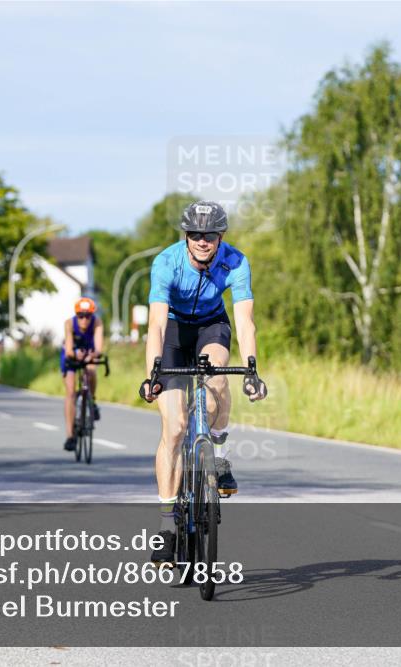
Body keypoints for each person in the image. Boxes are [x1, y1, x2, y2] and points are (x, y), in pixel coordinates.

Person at [139, 201, 267, 565]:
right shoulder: (166, 262)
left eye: (209, 234)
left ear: (220, 237)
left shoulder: (237, 262)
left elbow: (245, 322)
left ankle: (220, 458)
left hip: (213, 325)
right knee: (175, 427)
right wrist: (153, 374)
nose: (202, 241)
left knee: (216, 378)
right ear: (186, 236)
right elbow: (157, 326)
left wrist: (252, 368)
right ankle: (166, 527)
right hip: (175, 332)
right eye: (195, 234)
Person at [60, 297, 104, 451]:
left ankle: (92, 401)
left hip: (89, 353)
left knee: (91, 371)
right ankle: (70, 435)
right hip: (71, 355)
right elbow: (69, 349)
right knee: (71, 391)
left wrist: (93, 355)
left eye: (87, 315)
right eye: (81, 315)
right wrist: (75, 354)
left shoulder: (97, 322)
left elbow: (99, 347)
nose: (84, 319)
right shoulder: (69, 323)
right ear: (76, 315)